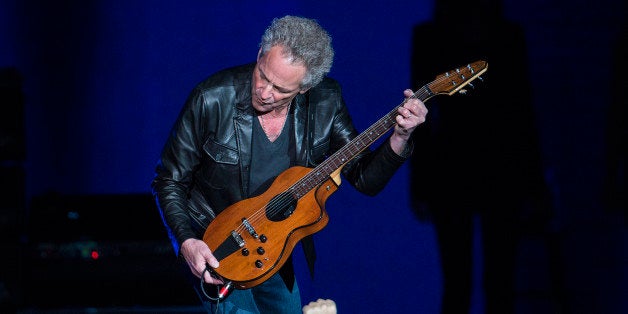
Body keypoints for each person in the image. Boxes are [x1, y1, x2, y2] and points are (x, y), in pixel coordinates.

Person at [151, 15, 427, 313]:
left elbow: (365, 180)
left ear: (305, 89)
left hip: (275, 252)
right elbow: (168, 180)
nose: (265, 92)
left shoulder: (326, 101)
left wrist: (400, 136)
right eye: (262, 75)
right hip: (219, 248)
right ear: (259, 55)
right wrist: (187, 241)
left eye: (281, 90)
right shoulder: (212, 98)